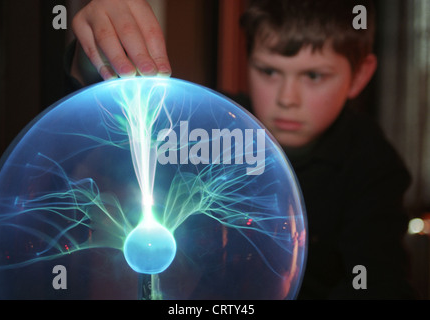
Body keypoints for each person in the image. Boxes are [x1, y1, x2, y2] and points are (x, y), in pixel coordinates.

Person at [67, 0, 415, 299]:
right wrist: (92, 52)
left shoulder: (371, 163)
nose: (286, 99)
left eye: (313, 76)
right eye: (269, 71)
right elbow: (106, 128)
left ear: (359, 76)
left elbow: (381, 282)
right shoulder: (211, 127)